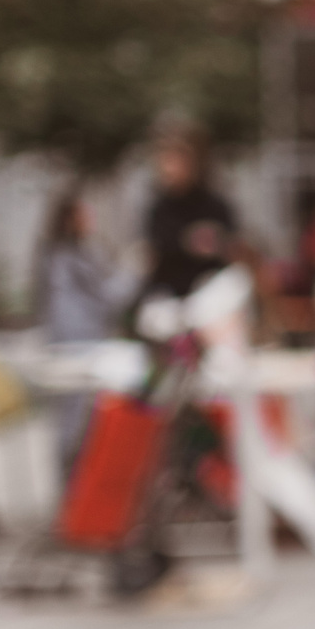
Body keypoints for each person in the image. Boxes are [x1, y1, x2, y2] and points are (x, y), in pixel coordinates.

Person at [31, 187, 136, 480]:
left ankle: (70, 494)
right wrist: (136, 270)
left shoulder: (52, 254)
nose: (91, 218)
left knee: (68, 421)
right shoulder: (75, 255)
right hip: (80, 346)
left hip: (64, 344)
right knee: (78, 423)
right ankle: (75, 493)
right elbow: (110, 298)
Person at [140, 131, 236, 302]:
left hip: (210, 290)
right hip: (169, 293)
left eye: (178, 161)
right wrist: (190, 240)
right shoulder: (158, 209)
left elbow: (231, 244)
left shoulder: (215, 205)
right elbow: (156, 249)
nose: (171, 168)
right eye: (167, 161)